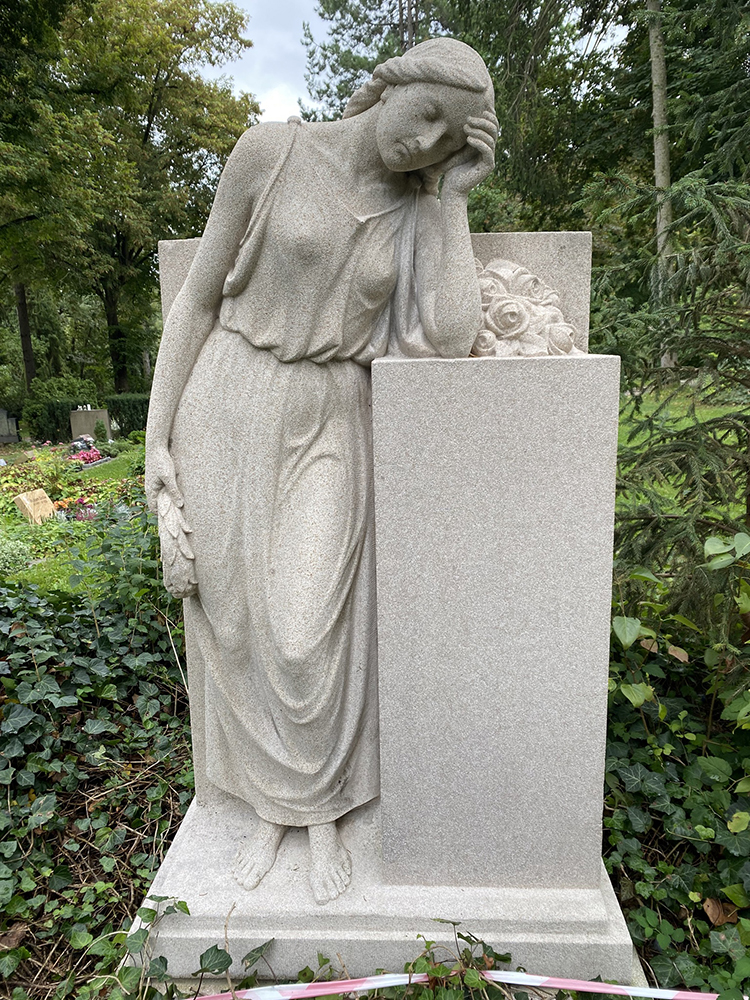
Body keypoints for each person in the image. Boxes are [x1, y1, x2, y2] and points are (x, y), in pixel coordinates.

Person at [145, 37, 497, 905]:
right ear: (392, 85)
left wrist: (452, 201)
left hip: (333, 416)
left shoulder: (417, 211)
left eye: (449, 138)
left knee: (305, 630)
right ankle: (273, 810)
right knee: (238, 623)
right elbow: (196, 299)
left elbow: (449, 335)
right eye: (427, 115)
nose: (426, 142)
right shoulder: (270, 152)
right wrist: (156, 445)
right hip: (228, 401)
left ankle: (321, 808)